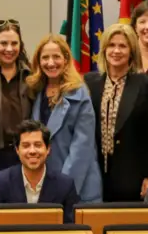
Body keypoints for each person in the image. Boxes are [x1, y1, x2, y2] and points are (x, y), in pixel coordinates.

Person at [84, 24, 148, 202]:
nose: (116, 51)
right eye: (111, 45)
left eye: (122, 46)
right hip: (96, 176)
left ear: (132, 51)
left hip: (132, 177)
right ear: (104, 50)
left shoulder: (147, 85)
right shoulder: (90, 83)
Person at [27, 35, 101, 202]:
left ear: (66, 60)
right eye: (45, 57)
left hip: (77, 185)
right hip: (44, 183)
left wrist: (62, 189)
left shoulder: (80, 94)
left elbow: (82, 148)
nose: (50, 63)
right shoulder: (37, 91)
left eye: (56, 57)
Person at [0, 120, 80, 223]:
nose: (32, 151)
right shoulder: (1, 183)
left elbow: (71, 229)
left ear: (48, 149)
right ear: (17, 150)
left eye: (38, 145)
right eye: (26, 145)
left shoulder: (65, 185)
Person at [0, 19, 31, 170]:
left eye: (14, 43)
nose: (9, 49)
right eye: (3, 43)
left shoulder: (30, 74)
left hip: (24, 152)